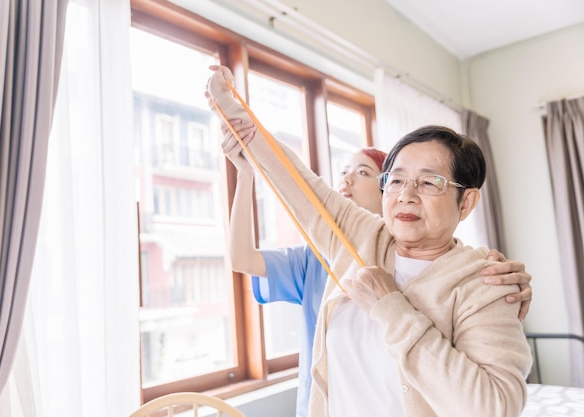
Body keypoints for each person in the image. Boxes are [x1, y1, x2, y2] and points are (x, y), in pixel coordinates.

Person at [206, 65, 533, 417]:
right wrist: (229, 103)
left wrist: (391, 307)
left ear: (466, 202)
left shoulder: (487, 282)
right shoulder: (363, 237)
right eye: (395, 180)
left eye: (429, 182)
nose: (406, 195)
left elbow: (494, 408)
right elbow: (297, 180)